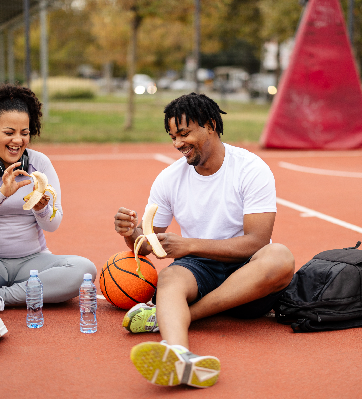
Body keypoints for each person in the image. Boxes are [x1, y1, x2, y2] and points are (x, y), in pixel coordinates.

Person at [114, 92, 295, 388]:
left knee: (280, 257)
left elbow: (257, 242)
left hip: (248, 272)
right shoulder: (169, 178)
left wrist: (190, 245)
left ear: (210, 125)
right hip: (200, 269)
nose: (178, 144)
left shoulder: (251, 169)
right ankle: (179, 355)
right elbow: (148, 244)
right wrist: (130, 232)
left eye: (184, 133)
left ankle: (176, 317)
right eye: (173, 136)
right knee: (170, 279)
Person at [0, 84, 96, 351]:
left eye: (25, 133)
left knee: (85, 270)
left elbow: (54, 224)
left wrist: (41, 207)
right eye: (9, 132)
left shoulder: (40, 164)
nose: (18, 140)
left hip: (33, 263)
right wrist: (0, 193)